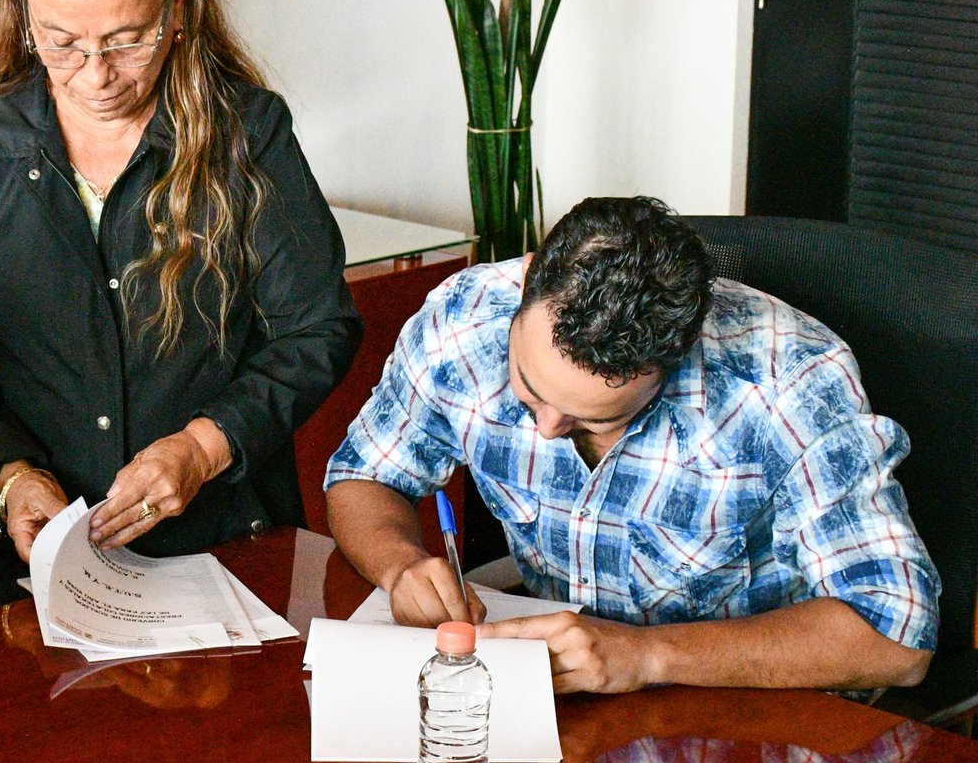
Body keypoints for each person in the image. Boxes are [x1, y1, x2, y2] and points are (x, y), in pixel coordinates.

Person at [0, 0, 362, 611]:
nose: (96, 75)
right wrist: (9, 475)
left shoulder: (248, 135)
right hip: (36, 564)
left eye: (128, 40)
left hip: (226, 547)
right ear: (24, 13)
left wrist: (202, 448)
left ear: (178, 2)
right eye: (61, 43)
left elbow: (318, 329)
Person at [326, 196, 939, 693]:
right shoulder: (463, 319)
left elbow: (896, 635)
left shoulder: (789, 382)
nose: (546, 427)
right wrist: (400, 564)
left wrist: (645, 656)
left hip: (744, 712)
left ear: (674, 360)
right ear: (529, 278)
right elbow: (365, 474)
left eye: (589, 419)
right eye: (530, 386)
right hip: (558, 706)